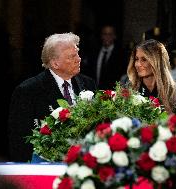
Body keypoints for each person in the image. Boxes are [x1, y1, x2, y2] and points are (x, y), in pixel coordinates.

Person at [8, 32, 97, 162]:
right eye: (72, 56)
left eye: (77, 53)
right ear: (55, 64)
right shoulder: (28, 91)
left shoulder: (88, 84)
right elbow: (20, 140)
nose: (79, 59)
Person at [127, 39, 176, 115]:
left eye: (144, 59)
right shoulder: (129, 91)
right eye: (136, 59)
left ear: (157, 62)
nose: (138, 64)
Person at [82, 24, 127, 90]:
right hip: (94, 92)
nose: (107, 37)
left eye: (110, 34)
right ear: (101, 36)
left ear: (114, 36)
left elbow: (122, 76)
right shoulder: (94, 52)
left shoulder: (121, 54)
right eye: (105, 34)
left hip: (112, 94)